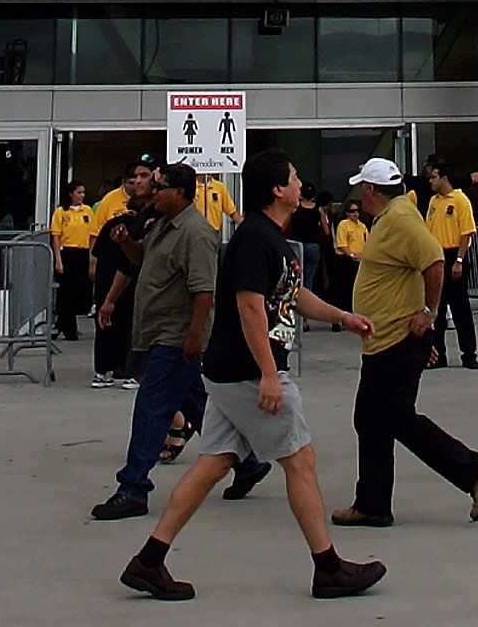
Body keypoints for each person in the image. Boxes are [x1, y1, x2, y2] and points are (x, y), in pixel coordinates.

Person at [118, 150, 382, 603]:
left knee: (213, 463)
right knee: (300, 460)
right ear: (278, 190)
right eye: (296, 177)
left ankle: (149, 560)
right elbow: (248, 305)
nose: (302, 184)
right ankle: (328, 568)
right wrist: (268, 375)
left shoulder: (272, 238)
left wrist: (344, 318)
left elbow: (292, 295)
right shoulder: (255, 238)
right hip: (244, 372)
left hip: (230, 373)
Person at [331, 158, 478, 528]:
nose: (360, 195)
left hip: (398, 339)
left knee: (394, 416)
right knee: (370, 419)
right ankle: (372, 503)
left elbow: (434, 259)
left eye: (362, 189)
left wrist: (428, 313)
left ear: (371, 191)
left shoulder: (402, 219)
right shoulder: (393, 215)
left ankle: (472, 468)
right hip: (385, 340)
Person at [92, 163, 234, 523]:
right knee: (196, 401)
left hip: (177, 335)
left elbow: (204, 290)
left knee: (151, 408)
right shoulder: (160, 225)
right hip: (158, 331)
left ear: (182, 193)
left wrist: (194, 335)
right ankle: (248, 464)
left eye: (160, 187)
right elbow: (143, 260)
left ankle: (133, 487)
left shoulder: (196, 232)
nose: (153, 192)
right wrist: (126, 244)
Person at [422, 158, 478, 371]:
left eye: (434, 177)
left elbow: (467, 232)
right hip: (437, 255)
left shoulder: (460, 200)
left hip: (454, 253)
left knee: (461, 309)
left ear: (444, 178)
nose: (431, 181)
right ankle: (438, 354)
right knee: (436, 308)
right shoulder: (433, 202)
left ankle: (469, 354)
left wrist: (459, 259)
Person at [89, 173, 150, 388]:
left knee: (105, 325)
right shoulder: (142, 227)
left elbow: (96, 250)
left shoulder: (111, 225)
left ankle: (102, 371)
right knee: (131, 326)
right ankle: (130, 372)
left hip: (106, 281)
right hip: (130, 282)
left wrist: (94, 270)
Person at [52, 182, 102, 343]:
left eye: (83, 193)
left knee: (80, 289)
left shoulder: (87, 211)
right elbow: (56, 237)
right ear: (71, 194)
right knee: (66, 291)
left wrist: (92, 256)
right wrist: (58, 261)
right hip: (67, 252)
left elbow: (93, 234)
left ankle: (62, 322)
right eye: (79, 192)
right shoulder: (61, 212)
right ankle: (69, 328)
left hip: (83, 253)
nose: (82, 196)